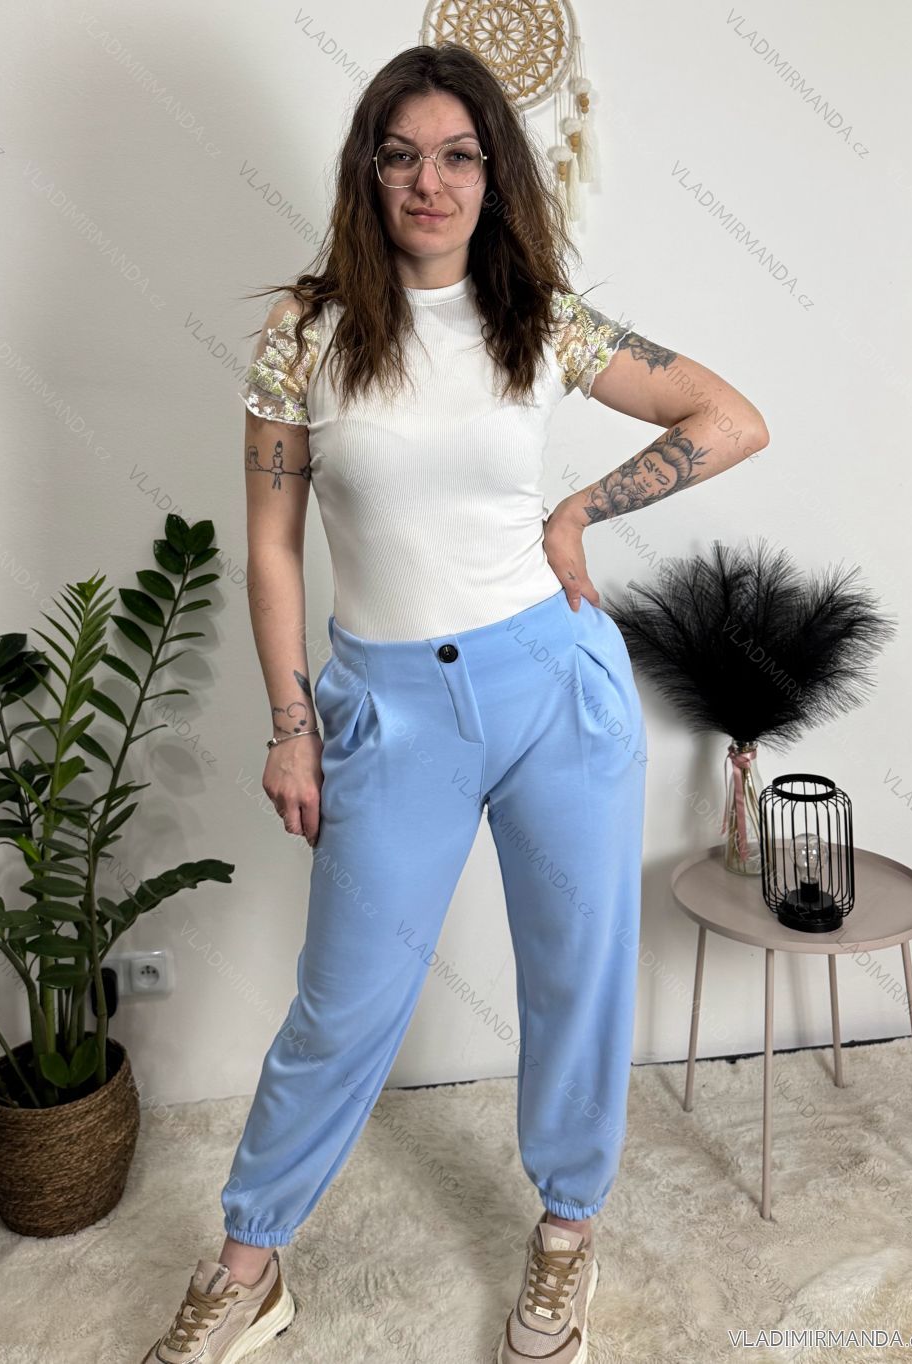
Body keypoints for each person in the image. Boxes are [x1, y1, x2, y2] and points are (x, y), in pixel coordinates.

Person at [141, 40, 769, 1364]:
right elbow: (271, 547)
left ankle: (567, 1232)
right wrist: (291, 724)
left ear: (494, 174)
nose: (429, 182)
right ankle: (250, 1264)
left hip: (554, 688)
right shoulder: (305, 332)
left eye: (458, 156)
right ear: (368, 172)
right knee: (344, 1003)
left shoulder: (540, 319)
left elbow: (728, 416)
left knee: (575, 975)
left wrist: (582, 510)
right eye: (401, 156)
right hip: (386, 710)